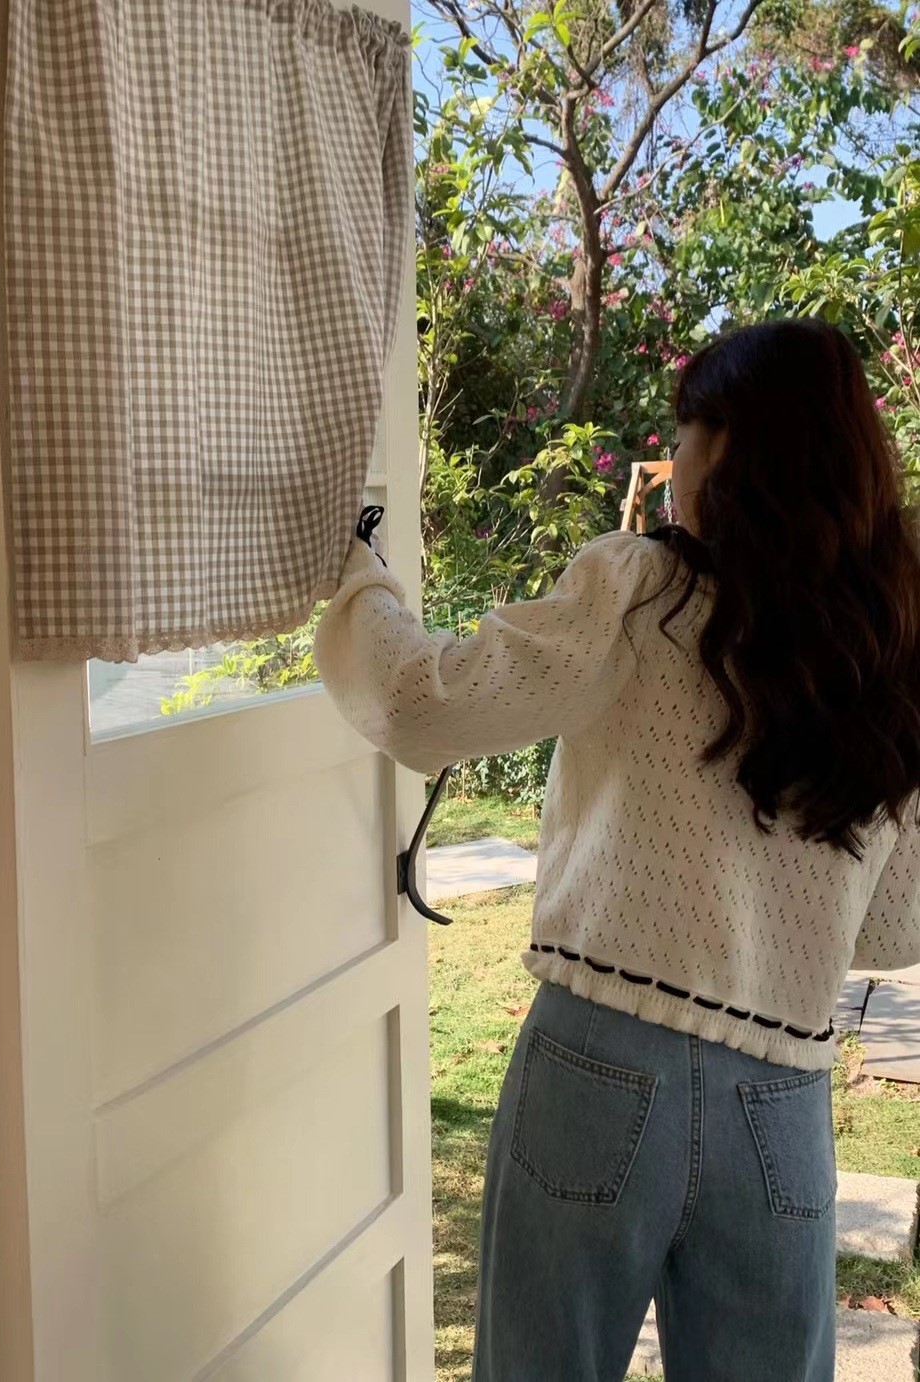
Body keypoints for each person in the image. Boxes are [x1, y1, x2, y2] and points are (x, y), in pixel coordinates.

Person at [312, 317, 920, 1382]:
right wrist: (776, 910)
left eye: (686, 431)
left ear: (730, 447)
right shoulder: (889, 649)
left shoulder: (642, 590)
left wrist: (360, 573)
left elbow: (420, 700)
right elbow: (895, 924)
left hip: (600, 1057)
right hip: (780, 1100)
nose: (674, 458)